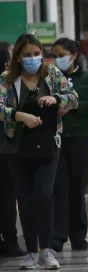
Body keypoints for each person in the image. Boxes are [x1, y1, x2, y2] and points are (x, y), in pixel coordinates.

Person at [0, 34, 78, 270]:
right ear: (18, 58)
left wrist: (56, 99)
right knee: (24, 199)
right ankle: (31, 251)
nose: (34, 59)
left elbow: (73, 98)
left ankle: (46, 250)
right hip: (17, 147)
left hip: (47, 143)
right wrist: (19, 115)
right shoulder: (7, 79)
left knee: (44, 194)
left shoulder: (51, 74)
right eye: (27, 55)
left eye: (37, 54)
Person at [49, 38, 88, 253]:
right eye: (53, 56)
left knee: (77, 188)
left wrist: (74, 106)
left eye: (61, 55)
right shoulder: (50, 78)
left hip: (80, 139)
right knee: (59, 188)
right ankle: (58, 235)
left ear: (73, 55)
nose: (57, 59)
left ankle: (78, 235)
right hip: (55, 140)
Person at [0, 41, 26, 258]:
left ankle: (8, 241)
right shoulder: (7, 81)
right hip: (6, 147)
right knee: (7, 196)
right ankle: (9, 241)